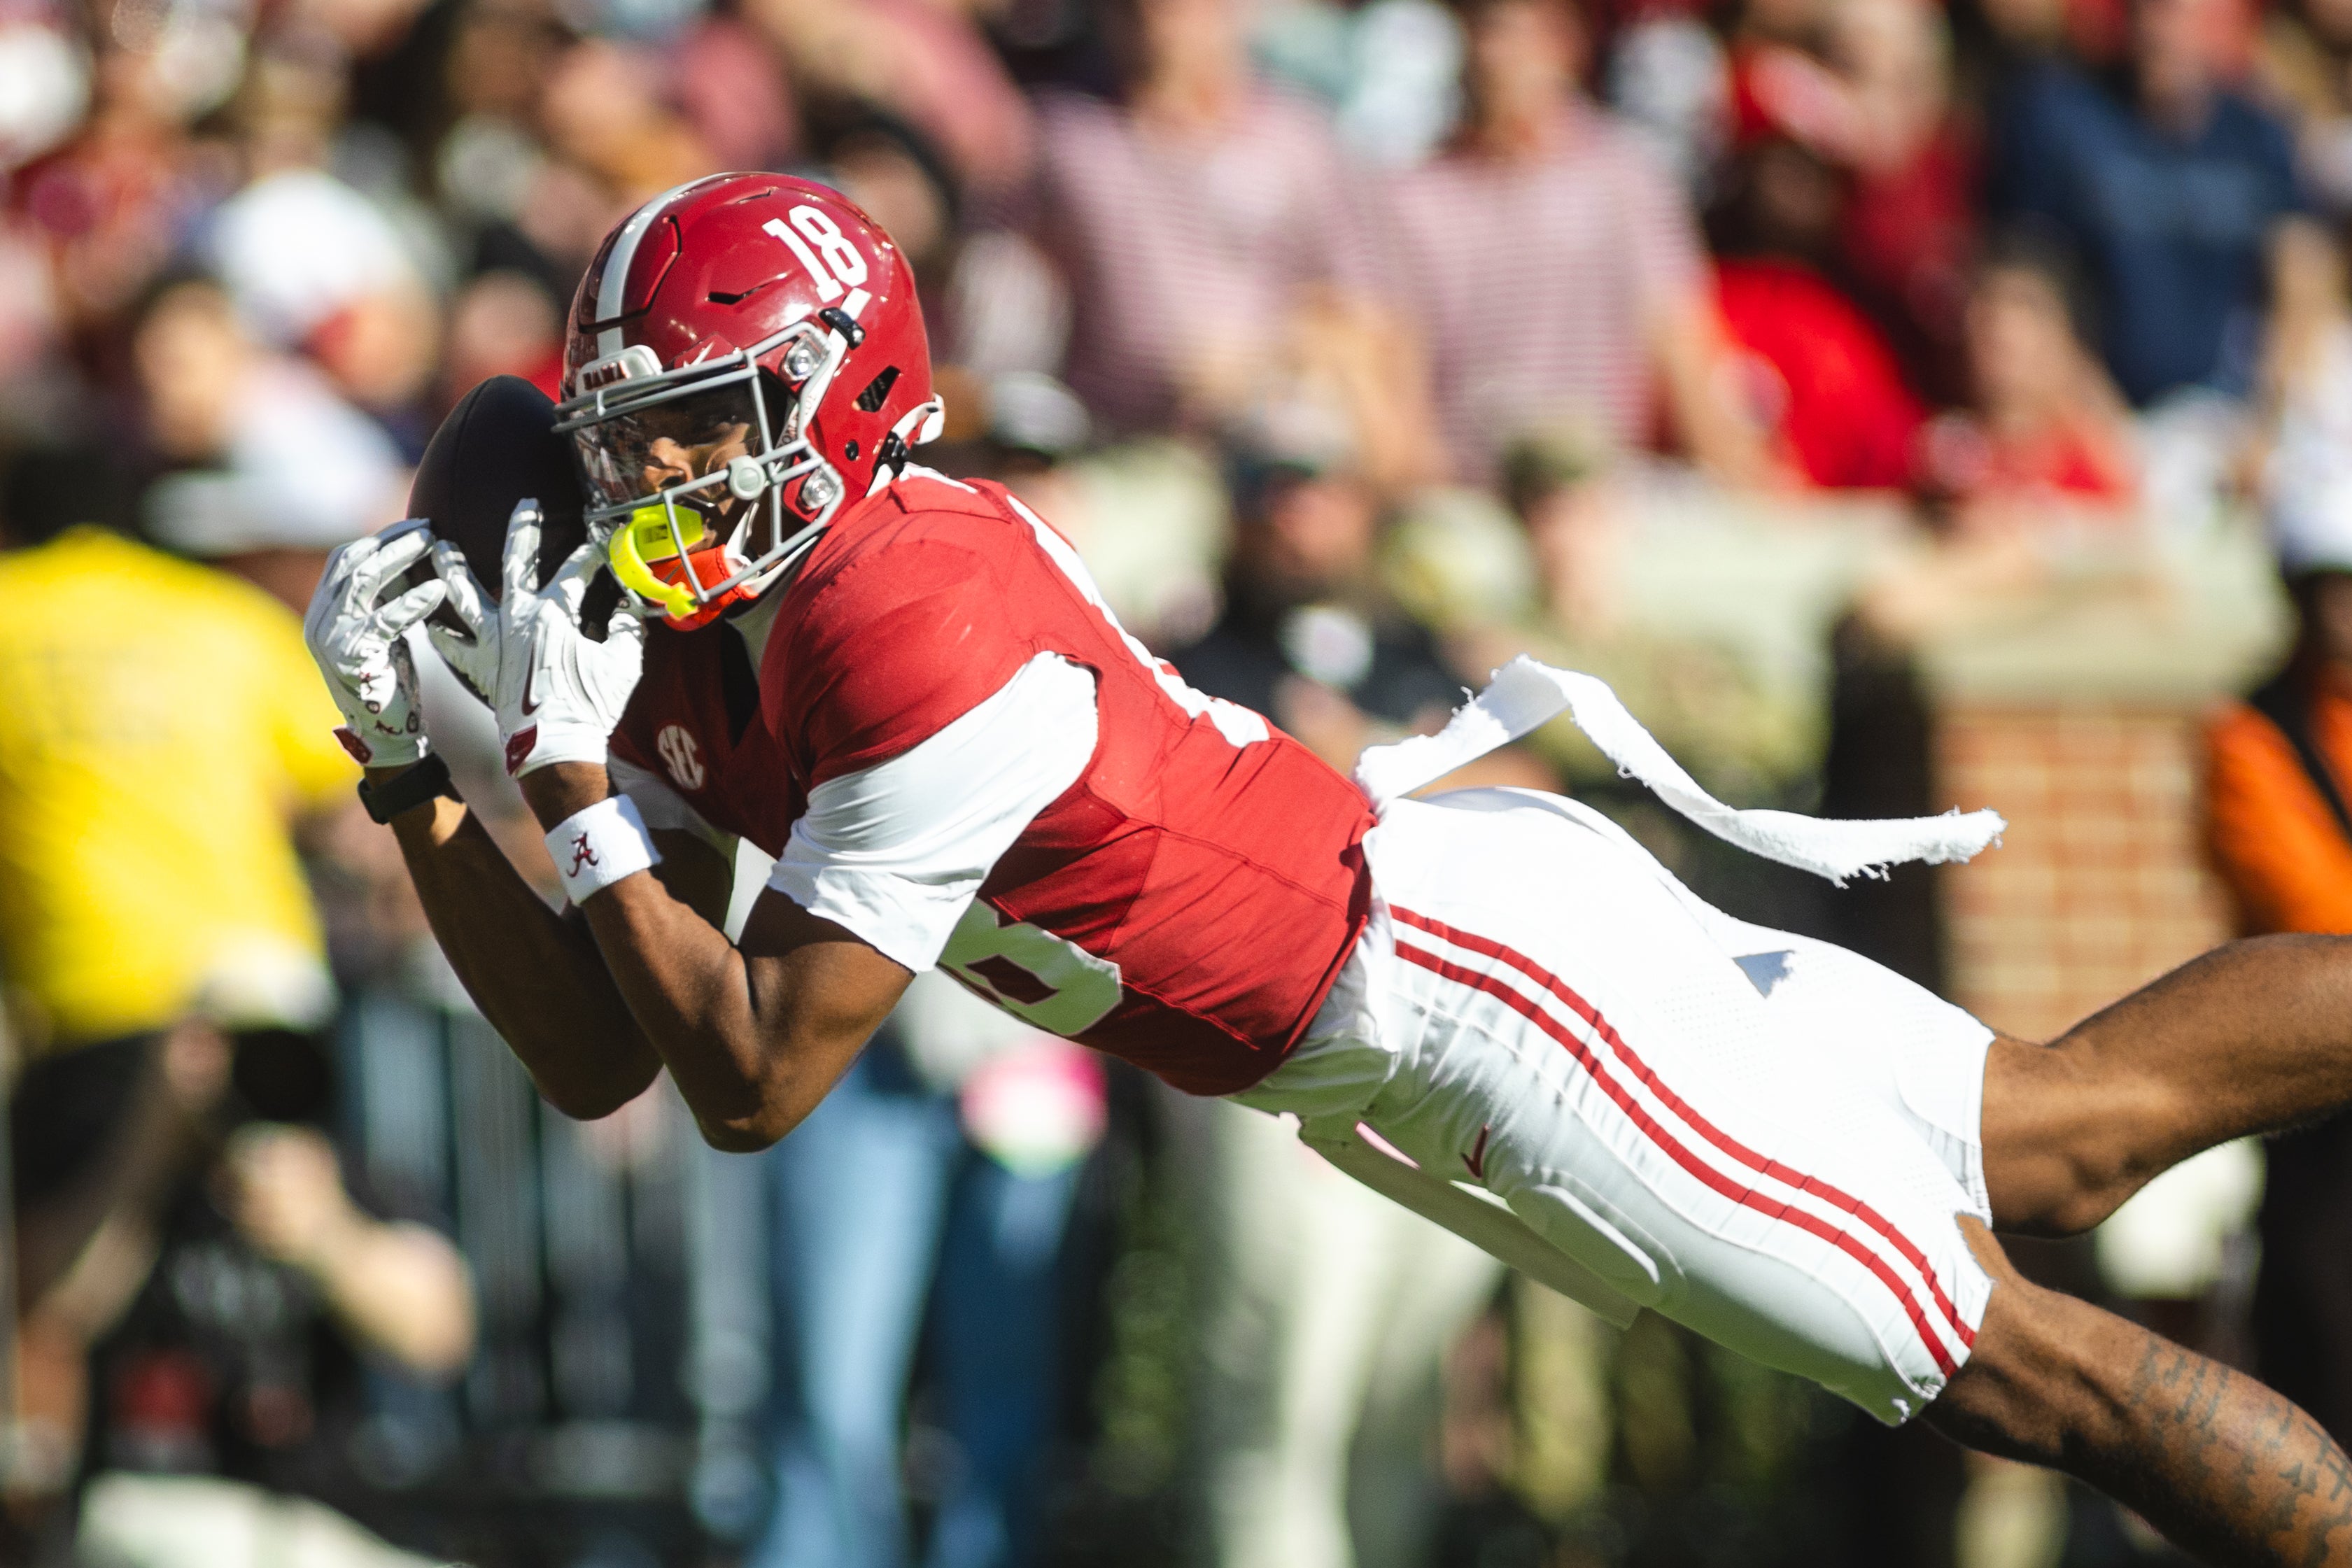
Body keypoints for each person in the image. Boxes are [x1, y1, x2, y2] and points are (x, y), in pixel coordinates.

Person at [307, 173, 2352, 1565]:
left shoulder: (901, 613)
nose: (660, 486)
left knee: (2024, 1363)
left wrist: (560, 782)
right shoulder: (710, 636)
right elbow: (603, 1052)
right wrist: (420, 785)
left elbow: (750, 1080)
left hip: (1470, 1008)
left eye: (701, 429)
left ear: (841, 401)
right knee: (2060, 1136)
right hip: (1426, 954)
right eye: (628, 443)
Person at [1382, 0, 1775, 485]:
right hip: (1468, 485)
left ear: (1565, 43)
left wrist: (1747, 485)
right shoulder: (1414, 199)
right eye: (1481, 31)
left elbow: (1684, 348)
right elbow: (1394, 376)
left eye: (1510, 32)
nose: (1492, 56)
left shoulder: (1622, 182)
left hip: (1596, 485)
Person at [1990, 0, 2302, 407]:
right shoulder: (2059, 117)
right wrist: (2102, 427)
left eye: (2178, 14)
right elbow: (2027, 284)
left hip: (2229, 412)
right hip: (2091, 410)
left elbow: (2302, 282)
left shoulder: (2259, 136)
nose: (2161, 31)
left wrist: (2266, 416)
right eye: (2149, 10)